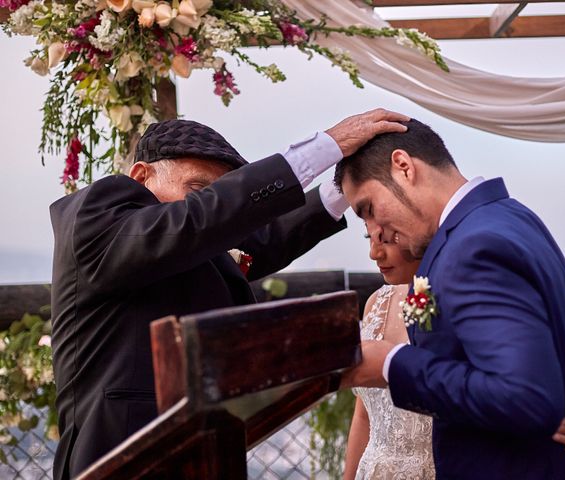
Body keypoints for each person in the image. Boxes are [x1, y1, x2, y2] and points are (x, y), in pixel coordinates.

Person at [49, 109, 410, 480]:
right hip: (118, 461)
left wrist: (345, 186)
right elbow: (200, 220)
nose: (214, 210)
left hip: (207, 454)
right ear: (142, 176)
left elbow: (256, 239)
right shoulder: (94, 216)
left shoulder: (191, 243)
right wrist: (324, 148)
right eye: (199, 191)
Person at [335, 118, 565, 479]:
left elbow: (525, 397)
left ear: (403, 167)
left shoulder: (473, 247)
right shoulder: (510, 217)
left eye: (368, 209)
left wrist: (391, 363)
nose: (376, 233)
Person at [343, 236, 565, 479]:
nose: (374, 253)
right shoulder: (376, 304)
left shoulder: (465, 301)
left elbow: (506, 392)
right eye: (369, 236)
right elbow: (364, 416)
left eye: (387, 239)